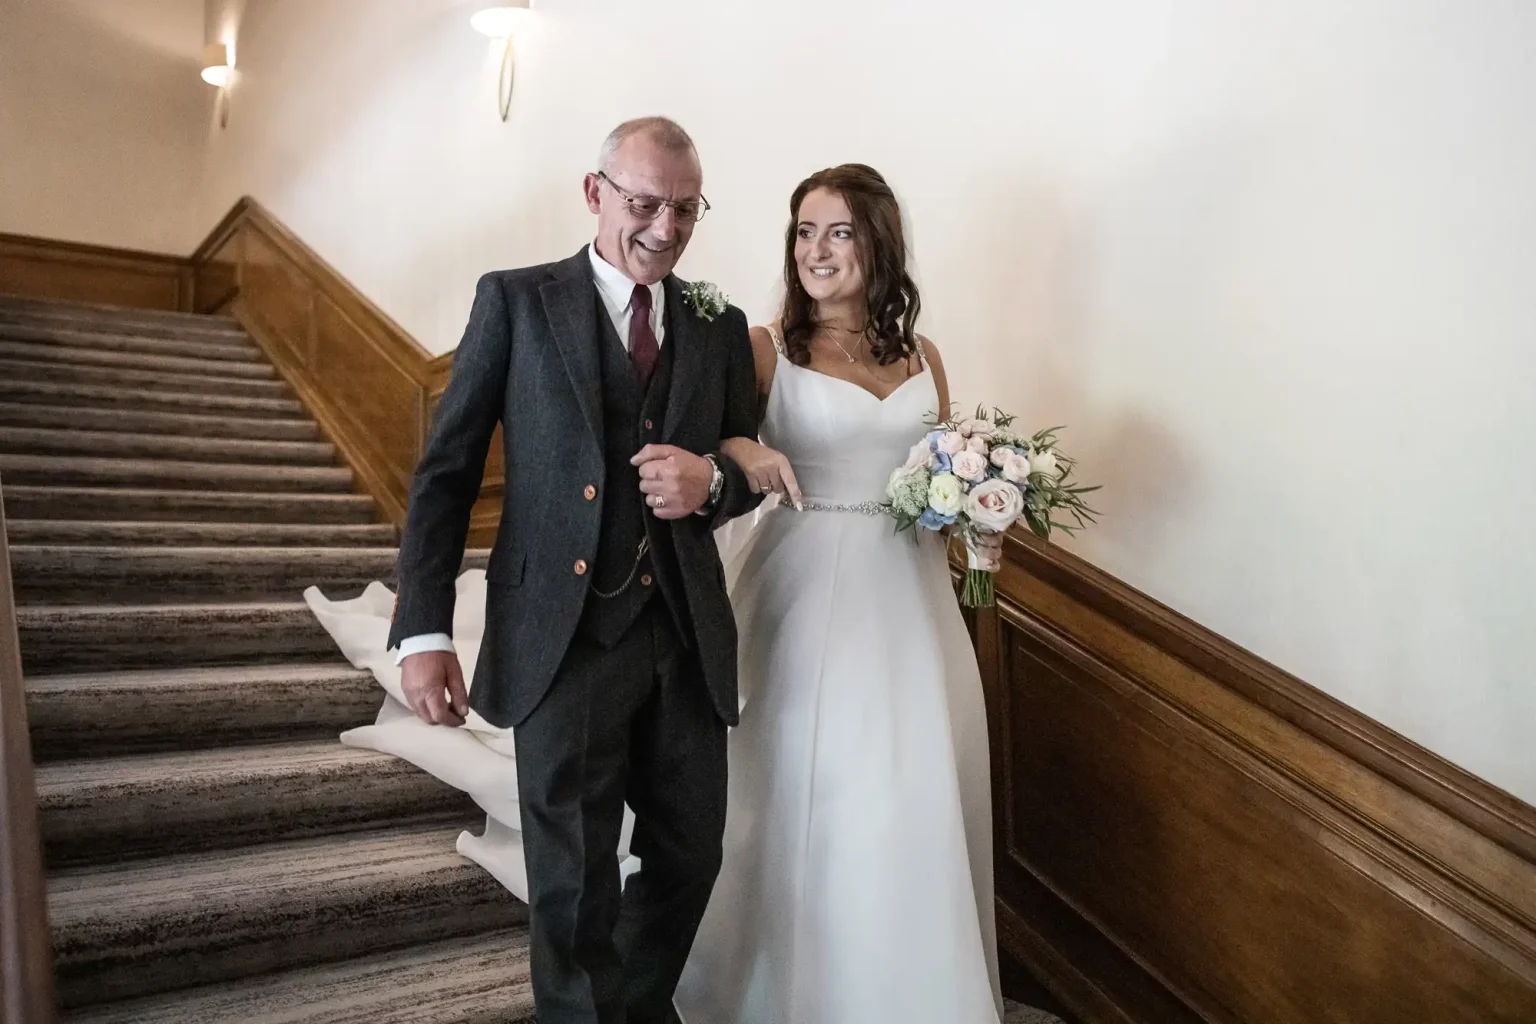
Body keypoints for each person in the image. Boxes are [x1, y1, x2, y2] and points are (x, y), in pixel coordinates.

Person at [384, 116, 760, 1024]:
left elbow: (741, 465)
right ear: (596, 193)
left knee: (692, 854)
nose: (665, 229)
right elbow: (447, 472)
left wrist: (712, 485)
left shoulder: (719, 326)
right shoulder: (515, 301)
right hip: (564, 633)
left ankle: (623, 1007)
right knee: (573, 877)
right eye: (645, 204)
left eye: (685, 210)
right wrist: (423, 629)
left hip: (684, 632)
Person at [672, 163, 1005, 1023]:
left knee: (908, 787)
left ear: (877, 243)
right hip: (805, 591)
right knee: (812, 785)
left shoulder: (924, 355)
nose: (816, 251)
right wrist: (745, 450)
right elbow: (711, 450)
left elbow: (937, 479)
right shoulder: (766, 347)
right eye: (804, 232)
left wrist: (981, 516)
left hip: (912, 598)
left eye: (839, 232)